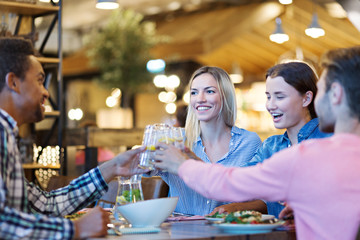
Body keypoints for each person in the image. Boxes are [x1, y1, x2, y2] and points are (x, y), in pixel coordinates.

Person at [154, 46, 360, 240]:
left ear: (336, 94)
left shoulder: (308, 154)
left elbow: (229, 183)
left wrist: (181, 165)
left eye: (321, 89)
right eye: (269, 96)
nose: (271, 105)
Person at [0, 38, 146, 239]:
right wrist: (76, 229)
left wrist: (113, 167)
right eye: (40, 80)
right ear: (13, 82)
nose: (46, 92)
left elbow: (46, 205)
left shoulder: (6, 134)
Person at [211, 61, 332, 218]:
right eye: (268, 97)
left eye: (279, 97)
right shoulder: (271, 146)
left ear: (306, 98)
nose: (270, 105)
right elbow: (239, 180)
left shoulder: (330, 139)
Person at [149, 66, 262, 216]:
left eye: (209, 91)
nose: (200, 99)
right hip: (182, 235)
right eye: (194, 92)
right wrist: (145, 160)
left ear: (226, 95)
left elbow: (264, 200)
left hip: (229, 234)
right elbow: (143, 168)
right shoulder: (175, 139)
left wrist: (236, 207)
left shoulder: (249, 142)